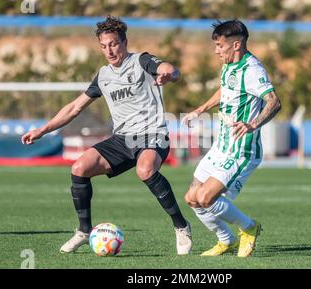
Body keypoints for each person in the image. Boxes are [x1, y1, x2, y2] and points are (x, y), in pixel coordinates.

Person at [21, 16, 192, 255]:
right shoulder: (103, 76)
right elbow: (74, 107)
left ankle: (181, 226)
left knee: (145, 170)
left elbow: (170, 69)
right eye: (103, 46)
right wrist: (42, 130)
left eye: (113, 44)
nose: (109, 50)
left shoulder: (140, 61)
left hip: (152, 135)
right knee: (79, 168)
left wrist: (167, 74)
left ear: (124, 42)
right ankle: (83, 231)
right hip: (122, 139)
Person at [181, 19, 281, 257]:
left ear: (236, 45)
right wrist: (201, 109)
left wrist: (252, 124)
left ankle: (249, 227)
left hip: (241, 150)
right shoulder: (229, 65)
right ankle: (226, 240)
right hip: (221, 146)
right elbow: (226, 89)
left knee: (206, 197)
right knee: (192, 198)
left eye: (220, 45)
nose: (216, 50)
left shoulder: (252, 69)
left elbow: (274, 101)